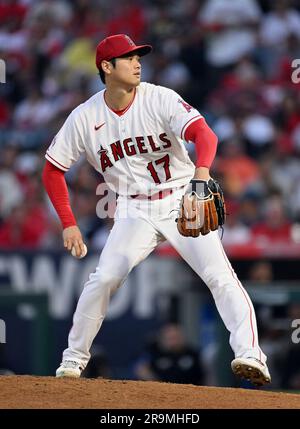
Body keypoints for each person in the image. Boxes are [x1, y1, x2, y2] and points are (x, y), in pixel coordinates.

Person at [42, 34, 271, 386]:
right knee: (103, 279)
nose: (137, 63)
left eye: (139, 57)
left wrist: (202, 172)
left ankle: (250, 355)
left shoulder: (159, 97)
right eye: (128, 57)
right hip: (133, 209)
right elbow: (53, 169)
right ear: (106, 66)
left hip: (182, 198)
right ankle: (72, 361)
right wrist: (69, 223)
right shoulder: (84, 117)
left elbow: (204, 135)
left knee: (220, 277)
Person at [134, 323, 204, 385]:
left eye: (176, 338)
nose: (174, 342)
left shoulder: (193, 354)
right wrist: (157, 384)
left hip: (191, 393)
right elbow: (141, 369)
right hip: (161, 393)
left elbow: (205, 375)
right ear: (162, 339)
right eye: (170, 338)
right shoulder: (154, 353)